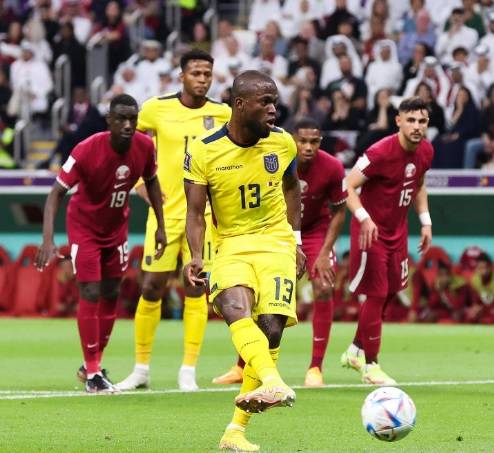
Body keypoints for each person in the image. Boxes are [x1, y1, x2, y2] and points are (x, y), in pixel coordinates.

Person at [184, 70, 305, 452]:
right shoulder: (204, 150)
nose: (274, 109)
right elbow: (194, 210)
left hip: (275, 243)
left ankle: (235, 432)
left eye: (275, 101)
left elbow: (292, 189)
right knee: (236, 307)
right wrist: (195, 256)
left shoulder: (283, 144)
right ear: (239, 105)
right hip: (231, 244)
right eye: (265, 102)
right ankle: (272, 380)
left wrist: (298, 241)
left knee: (270, 328)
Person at [34, 94, 166, 393]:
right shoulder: (86, 150)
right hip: (84, 229)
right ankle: (93, 372)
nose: (128, 124)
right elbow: (56, 193)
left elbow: (153, 182)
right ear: (109, 120)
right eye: (121, 118)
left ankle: (91, 365)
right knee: (91, 290)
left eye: (133, 119)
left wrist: (160, 224)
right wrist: (47, 239)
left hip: (116, 229)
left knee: (111, 292)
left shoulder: (145, 147)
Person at [116, 49, 231, 392]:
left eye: (207, 74)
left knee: (197, 287)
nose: (202, 79)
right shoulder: (155, 108)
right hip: (164, 215)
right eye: (195, 73)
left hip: (204, 217)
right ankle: (140, 368)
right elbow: (128, 142)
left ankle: (188, 370)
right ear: (181, 76)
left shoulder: (222, 113)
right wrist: (139, 184)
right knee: (151, 286)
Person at [211, 117, 347, 389]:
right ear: (292, 138)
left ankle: (315, 368)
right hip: (274, 232)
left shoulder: (332, 167)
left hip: (313, 232)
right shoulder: (273, 153)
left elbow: (339, 211)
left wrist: (324, 252)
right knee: (258, 295)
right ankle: (242, 366)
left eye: (315, 141)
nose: (308, 147)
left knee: (323, 287)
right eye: (303, 140)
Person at [340, 96, 434, 385]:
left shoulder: (426, 151)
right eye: (411, 120)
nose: (417, 126)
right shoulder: (379, 152)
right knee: (377, 294)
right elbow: (348, 185)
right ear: (399, 121)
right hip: (372, 233)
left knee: (393, 291)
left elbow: (417, 184)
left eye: (422, 121)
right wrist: (364, 218)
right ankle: (371, 365)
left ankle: (355, 349)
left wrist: (426, 220)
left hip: (398, 232)